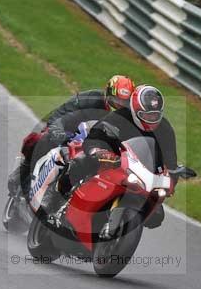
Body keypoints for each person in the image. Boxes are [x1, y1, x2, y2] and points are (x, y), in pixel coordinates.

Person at [48, 85, 177, 227]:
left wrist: (171, 178)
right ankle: (54, 200)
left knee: (156, 216)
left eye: (155, 115)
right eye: (146, 115)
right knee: (79, 163)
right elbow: (95, 135)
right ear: (135, 111)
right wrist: (96, 151)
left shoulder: (165, 129)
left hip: (141, 174)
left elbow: (170, 160)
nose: (151, 119)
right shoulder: (119, 116)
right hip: (111, 161)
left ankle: (118, 231)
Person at [7, 75, 135, 198]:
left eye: (123, 103)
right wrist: (56, 130)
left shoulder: (128, 116)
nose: (118, 105)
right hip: (70, 133)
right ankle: (22, 172)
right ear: (108, 94)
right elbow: (62, 113)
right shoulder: (89, 99)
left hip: (93, 145)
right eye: (116, 100)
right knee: (41, 140)